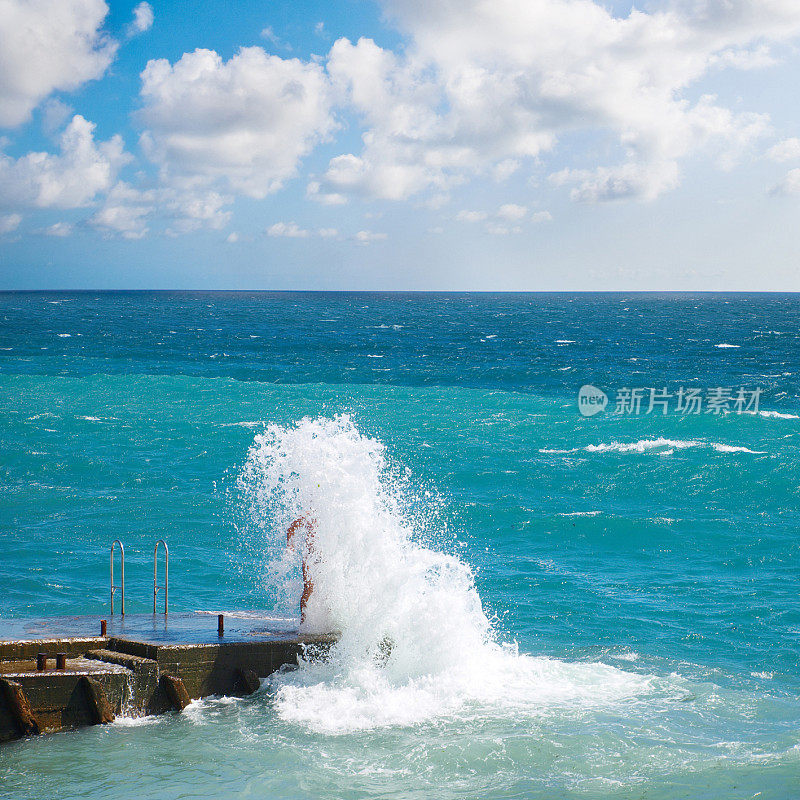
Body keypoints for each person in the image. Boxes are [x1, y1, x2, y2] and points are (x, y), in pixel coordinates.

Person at [286, 515, 315, 624]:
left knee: (327, 589)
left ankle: (327, 621)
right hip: (310, 557)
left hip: (325, 557)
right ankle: (303, 621)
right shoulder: (310, 516)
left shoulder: (332, 515)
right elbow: (291, 528)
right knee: (308, 588)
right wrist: (290, 545)